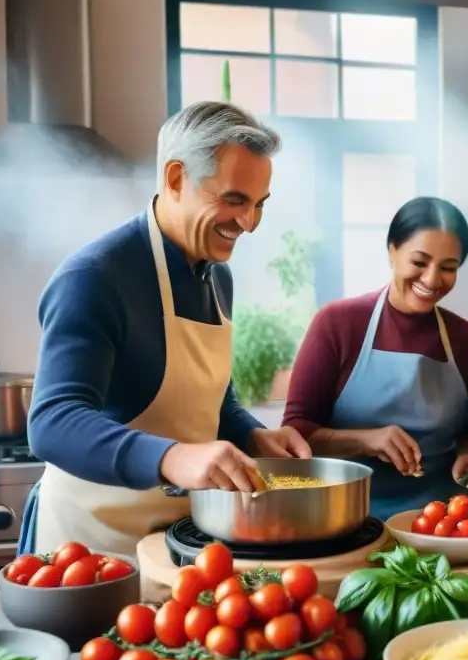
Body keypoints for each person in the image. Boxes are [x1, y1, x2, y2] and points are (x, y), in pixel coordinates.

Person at [19, 101, 311, 557]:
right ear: (176, 179)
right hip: (90, 550)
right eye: (234, 200)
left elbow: (211, 402)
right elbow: (52, 422)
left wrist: (254, 435)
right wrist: (173, 457)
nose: (248, 223)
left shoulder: (216, 277)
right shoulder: (94, 277)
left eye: (258, 205)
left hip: (178, 541)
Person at [282, 197, 468, 519]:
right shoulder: (338, 323)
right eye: (419, 262)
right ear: (392, 251)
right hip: (344, 513)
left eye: (448, 268)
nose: (432, 279)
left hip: (441, 519)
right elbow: (295, 434)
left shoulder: (465, 338)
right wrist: (367, 441)